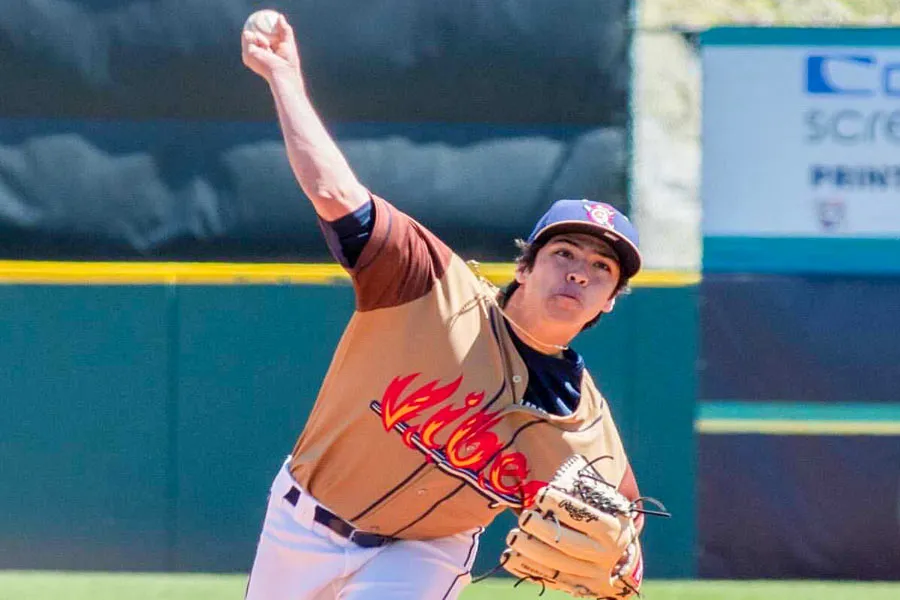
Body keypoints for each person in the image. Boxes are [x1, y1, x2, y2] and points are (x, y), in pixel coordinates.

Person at [242, 12, 646, 600]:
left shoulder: (582, 421)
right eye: (564, 254)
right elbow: (333, 193)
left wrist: (623, 569)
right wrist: (283, 76)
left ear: (609, 302)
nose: (580, 273)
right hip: (301, 522)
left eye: (601, 269)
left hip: (426, 553)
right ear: (525, 267)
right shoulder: (429, 288)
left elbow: (625, 513)